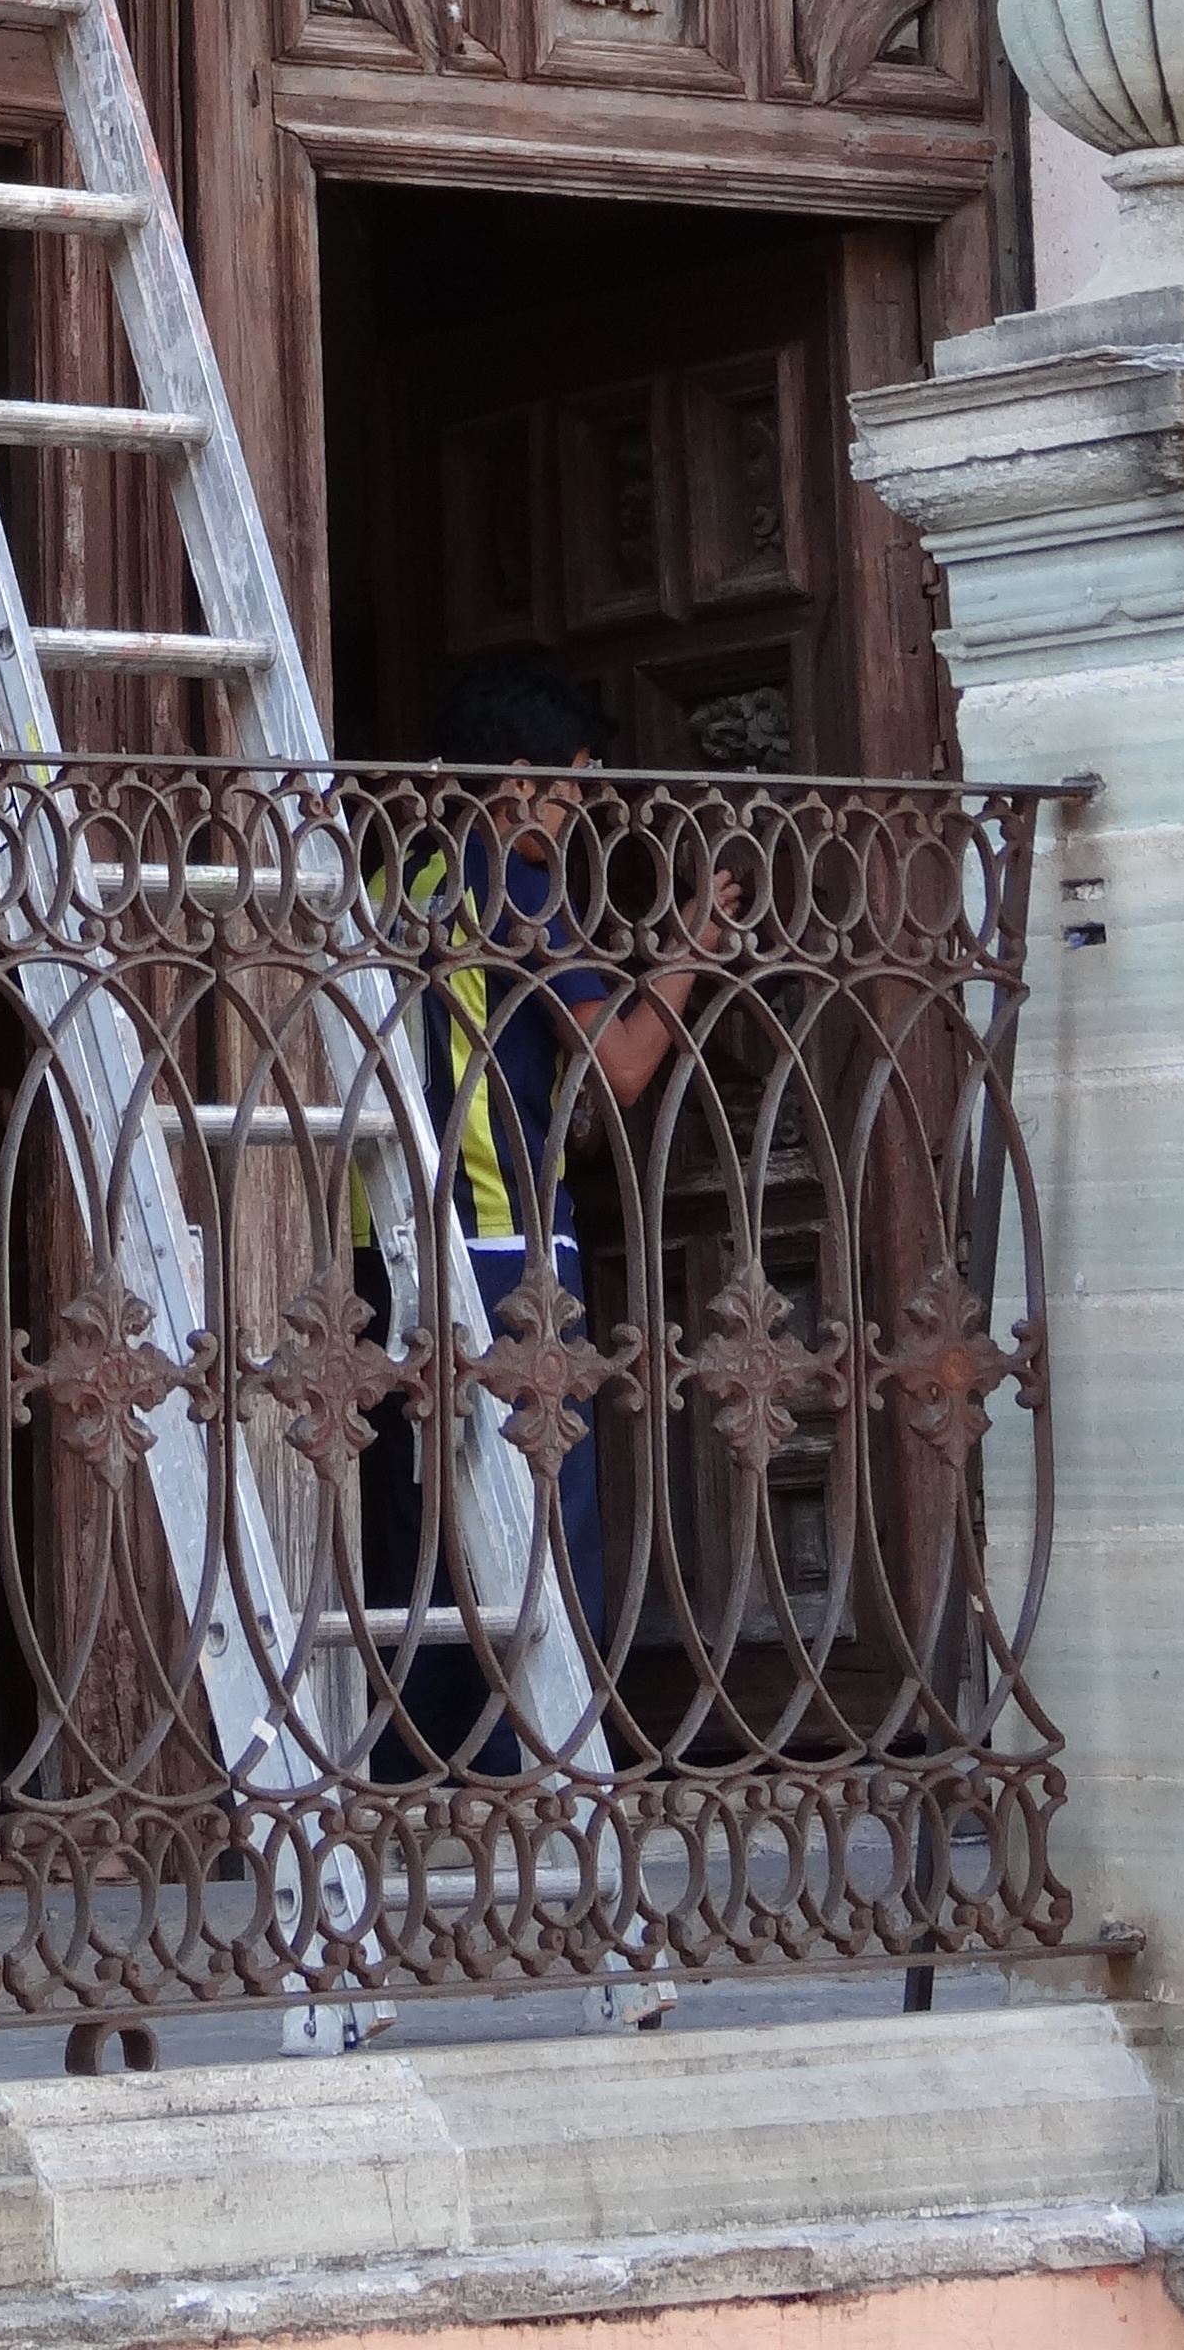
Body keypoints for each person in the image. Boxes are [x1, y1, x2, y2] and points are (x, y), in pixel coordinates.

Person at [355, 643, 737, 1776]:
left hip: (384, 1241)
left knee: (425, 1531)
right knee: (538, 1522)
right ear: (521, 779)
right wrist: (691, 949)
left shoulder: (402, 882)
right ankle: (542, 1775)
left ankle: (414, 1775)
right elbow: (622, 1065)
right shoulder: (516, 888)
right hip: (502, 1245)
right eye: (571, 789)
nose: (574, 817)